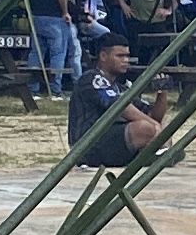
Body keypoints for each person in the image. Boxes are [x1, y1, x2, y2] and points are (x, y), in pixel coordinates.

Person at [66, 37, 163, 172]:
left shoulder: (118, 87)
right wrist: (154, 126)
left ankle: (152, 156)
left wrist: (162, 92)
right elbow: (118, 107)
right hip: (87, 146)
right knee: (145, 128)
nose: (126, 60)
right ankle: (151, 157)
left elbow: (152, 115)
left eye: (127, 56)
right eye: (120, 56)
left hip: (112, 139)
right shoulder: (92, 79)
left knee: (161, 128)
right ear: (103, 56)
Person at [30, 0, 83, 98]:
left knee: (36, 54)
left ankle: (32, 90)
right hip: (54, 18)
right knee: (58, 54)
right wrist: (65, 12)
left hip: (35, 17)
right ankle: (55, 90)